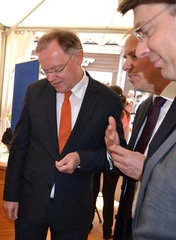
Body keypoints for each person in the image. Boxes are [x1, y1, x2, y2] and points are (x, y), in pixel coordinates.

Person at [2, 28, 126, 240]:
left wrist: (82, 159)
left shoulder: (107, 101)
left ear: (78, 57)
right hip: (31, 203)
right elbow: (19, 147)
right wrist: (10, 195)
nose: (51, 78)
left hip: (74, 208)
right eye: (46, 71)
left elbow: (116, 158)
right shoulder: (35, 92)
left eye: (57, 69)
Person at [107, 1, 176, 238]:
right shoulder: (148, 106)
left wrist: (145, 169)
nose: (127, 65)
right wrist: (116, 147)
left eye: (147, 32)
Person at [91, 85, 128, 239]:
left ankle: (88, 224)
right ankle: (107, 230)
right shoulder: (124, 114)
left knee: (92, 192)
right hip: (115, 157)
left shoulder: (99, 110)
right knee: (108, 194)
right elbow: (126, 136)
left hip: (98, 156)